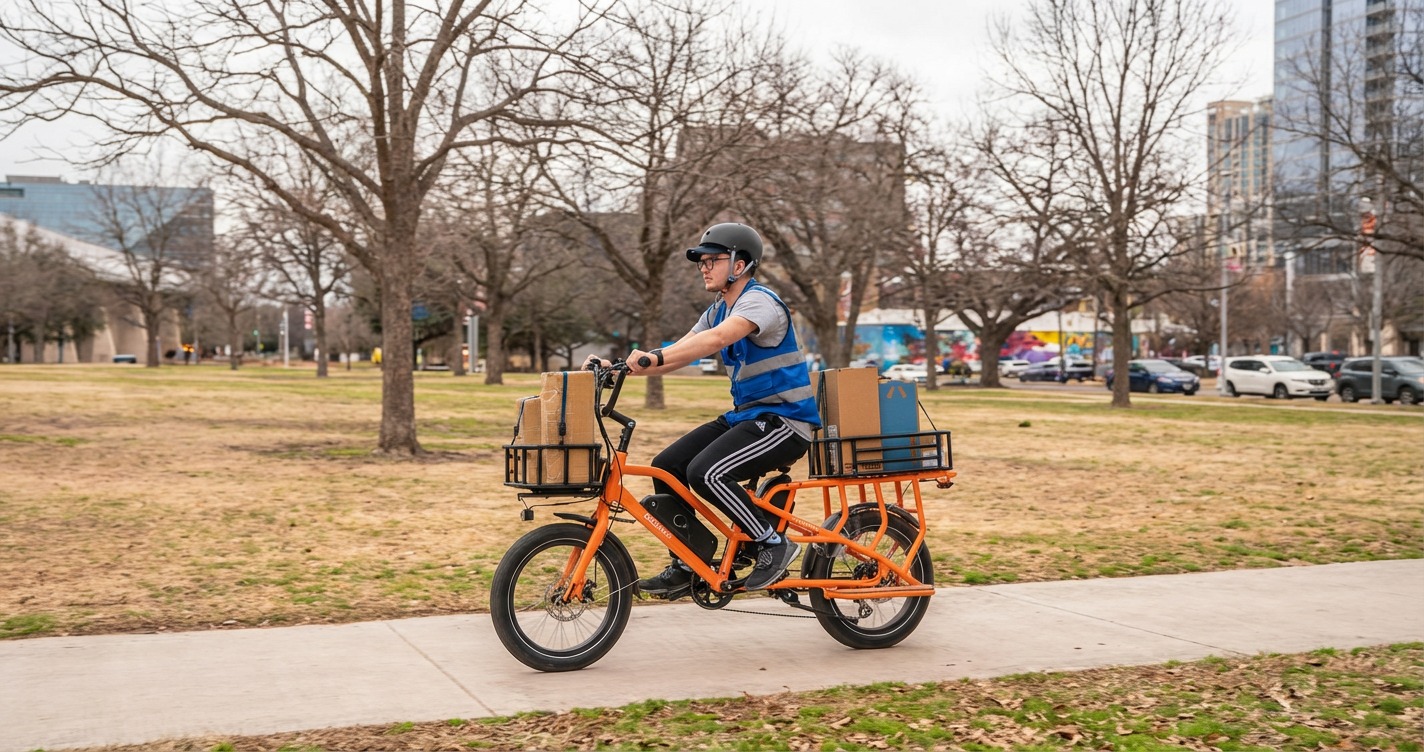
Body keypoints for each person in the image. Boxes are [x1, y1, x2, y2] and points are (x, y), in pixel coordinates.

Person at [586, 222, 821, 598]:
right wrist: (618, 368)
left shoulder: (759, 302)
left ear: (740, 265)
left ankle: (773, 543)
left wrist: (654, 357)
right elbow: (678, 353)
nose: (704, 268)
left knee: (707, 473)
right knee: (667, 467)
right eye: (702, 262)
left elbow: (718, 339)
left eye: (713, 260)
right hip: (749, 417)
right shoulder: (717, 311)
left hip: (785, 422)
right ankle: (688, 562)